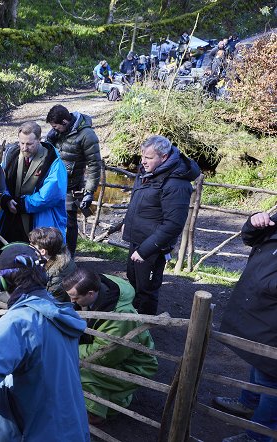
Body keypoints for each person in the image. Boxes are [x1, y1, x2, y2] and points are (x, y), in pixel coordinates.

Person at [0, 242, 90, 441]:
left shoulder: (18, 322)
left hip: (33, 432)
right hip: (70, 429)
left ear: (2, 282)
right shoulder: (60, 312)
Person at [62, 267, 158, 425]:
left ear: (91, 294)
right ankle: (109, 400)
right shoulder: (96, 285)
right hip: (115, 353)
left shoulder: (118, 318)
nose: (72, 302)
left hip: (132, 363)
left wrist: (68, 349)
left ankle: (96, 412)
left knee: (78, 371)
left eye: (75, 298)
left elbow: (105, 355)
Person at [214, 211, 277, 442]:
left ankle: (258, 437)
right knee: (257, 358)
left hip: (272, 311)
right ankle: (249, 403)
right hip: (261, 307)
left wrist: (269, 284)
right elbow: (250, 238)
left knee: (272, 376)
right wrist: (252, 222)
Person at [122, 135, 200, 315]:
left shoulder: (176, 184)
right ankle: (133, 322)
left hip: (152, 247)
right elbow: (139, 200)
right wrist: (127, 223)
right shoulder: (148, 172)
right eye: (142, 156)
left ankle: (144, 331)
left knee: (147, 290)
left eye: (148, 158)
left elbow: (173, 224)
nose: (143, 162)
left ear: (163, 157)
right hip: (138, 239)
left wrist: (145, 250)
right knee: (134, 282)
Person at [0, 121, 67, 249]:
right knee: (8, 255)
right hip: (11, 218)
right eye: (21, 143)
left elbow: (50, 196)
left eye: (29, 144)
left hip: (39, 220)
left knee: (39, 259)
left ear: (39, 140)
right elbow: (1, 180)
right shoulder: (12, 155)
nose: (24, 148)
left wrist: (22, 204)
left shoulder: (53, 162)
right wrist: (6, 199)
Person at [45, 104, 102, 257]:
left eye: (56, 127)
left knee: (70, 222)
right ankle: (52, 254)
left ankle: (70, 257)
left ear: (65, 122)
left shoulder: (87, 135)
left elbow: (95, 165)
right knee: (50, 219)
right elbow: (47, 154)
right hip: (53, 184)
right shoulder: (58, 132)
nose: (54, 130)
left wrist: (89, 192)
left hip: (72, 186)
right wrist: (48, 142)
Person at [28, 226, 75, 302]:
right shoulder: (59, 252)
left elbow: (50, 302)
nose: (29, 247)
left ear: (43, 251)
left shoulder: (56, 275)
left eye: (32, 245)